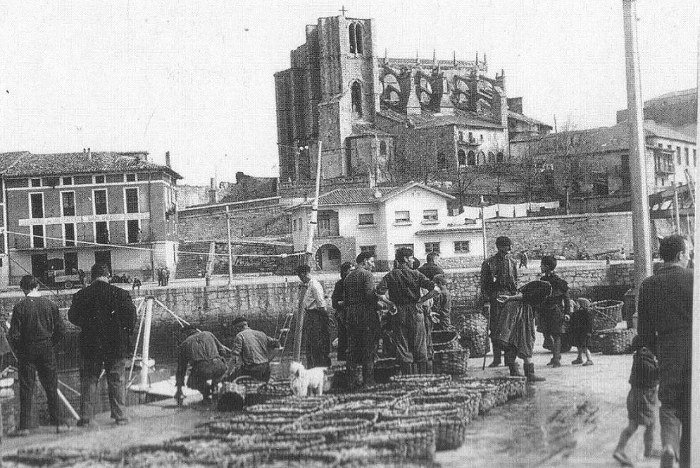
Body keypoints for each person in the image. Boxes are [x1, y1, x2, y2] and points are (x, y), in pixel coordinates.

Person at [637, 234, 693, 468]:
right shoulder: (693, 279)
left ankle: (669, 446)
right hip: (694, 348)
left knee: (669, 404)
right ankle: (687, 459)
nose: (689, 257)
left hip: (668, 349)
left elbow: (644, 331)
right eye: (688, 253)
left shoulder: (648, 285)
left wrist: (652, 351)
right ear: (680, 255)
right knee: (691, 406)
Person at [68, 263, 136, 427]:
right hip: (116, 344)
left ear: (91, 277)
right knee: (116, 379)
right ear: (108, 276)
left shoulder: (81, 295)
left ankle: (86, 418)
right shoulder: (121, 294)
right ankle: (120, 416)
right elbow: (131, 317)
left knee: (89, 380)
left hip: (90, 344)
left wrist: (87, 324)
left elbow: (72, 317)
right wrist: (125, 332)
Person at [8, 275, 67, 435]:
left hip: (27, 350)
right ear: (37, 287)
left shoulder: (20, 307)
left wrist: (20, 349)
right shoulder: (50, 304)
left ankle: (25, 427)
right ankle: (59, 423)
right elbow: (61, 330)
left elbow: (13, 335)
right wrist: (50, 343)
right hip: (46, 347)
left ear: (23, 289)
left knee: (27, 387)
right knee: (51, 386)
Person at [376, 247, 439, 375]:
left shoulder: (390, 275)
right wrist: (421, 300)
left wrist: (390, 304)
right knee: (420, 344)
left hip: (399, 312)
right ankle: (422, 377)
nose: (412, 261)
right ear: (405, 259)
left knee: (402, 345)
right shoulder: (416, 274)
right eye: (411, 258)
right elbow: (436, 290)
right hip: (416, 311)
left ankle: (407, 377)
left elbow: (378, 293)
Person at [613, 335, 661, 466]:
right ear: (644, 349)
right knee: (641, 425)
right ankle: (621, 450)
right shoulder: (644, 361)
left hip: (638, 396)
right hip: (642, 397)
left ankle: (647, 450)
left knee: (644, 424)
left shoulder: (640, 358)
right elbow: (655, 375)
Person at [493, 280, 548, 382]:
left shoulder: (536, 287)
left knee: (516, 341)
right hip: (522, 317)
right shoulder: (542, 289)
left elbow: (524, 296)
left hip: (520, 316)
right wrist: (510, 298)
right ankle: (527, 373)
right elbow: (525, 297)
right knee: (523, 340)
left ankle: (517, 371)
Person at [480, 236, 518, 368]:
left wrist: (515, 296)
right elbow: (483, 284)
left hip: (509, 298)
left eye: (510, 246)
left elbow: (515, 282)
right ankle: (496, 359)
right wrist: (486, 301)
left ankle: (509, 359)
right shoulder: (489, 263)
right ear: (499, 247)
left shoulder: (512, 262)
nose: (510, 249)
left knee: (509, 328)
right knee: (495, 328)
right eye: (507, 246)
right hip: (495, 298)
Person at [343, 252, 380, 387]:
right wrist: (380, 304)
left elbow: (345, 300)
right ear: (364, 261)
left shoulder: (348, 277)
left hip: (351, 315)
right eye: (371, 261)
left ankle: (351, 382)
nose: (373, 264)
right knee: (368, 347)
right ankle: (368, 381)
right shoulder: (367, 275)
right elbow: (370, 296)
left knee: (352, 349)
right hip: (365, 315)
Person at [175, 325, 228, 403]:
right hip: (220, 366)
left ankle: (206, 392)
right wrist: (221, 360)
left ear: (185, 334)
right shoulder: (208, 334)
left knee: (191, 382)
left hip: (202, 368)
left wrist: (179, 389)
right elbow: (223, 351)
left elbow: (181, 369)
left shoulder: (184, 344)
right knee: (217, 372)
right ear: (196, 330)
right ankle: (215, 387)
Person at [537, 256, 571, 368]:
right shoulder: (542, 281)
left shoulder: (559, 282)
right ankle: (556, 355)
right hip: (544, 311)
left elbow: (566, 299)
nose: (540, 267)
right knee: (546, 335)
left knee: (556, 335)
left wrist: (567, 313)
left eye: (541, 265)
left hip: (556, 311)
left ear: (546, 267)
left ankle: (556, 359)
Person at [297, 265, 331, 368]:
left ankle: (320, 366)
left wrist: (326, 319)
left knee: (317, 342)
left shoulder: (315, 285)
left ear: (303, 274)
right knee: (310, 343)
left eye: (300, 275)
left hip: (317, 315)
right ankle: (312, 366)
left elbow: (321, 304)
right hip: (310, 315)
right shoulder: (307, 285)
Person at [226, 316, 279, 382]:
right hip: (266, 369)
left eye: (235, 329)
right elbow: (277, 346)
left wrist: (228, 373)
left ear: (238, 327)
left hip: (252, 370)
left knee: (229, 380)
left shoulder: (240, 336)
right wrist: (268, 360)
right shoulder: (261, 334)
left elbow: (234, 358)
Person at [331, 262, 353, 361]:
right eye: (350, 270)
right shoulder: (340, 284)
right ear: (345, 271)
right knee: (343, 337)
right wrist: (345, 303)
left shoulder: (354, 282)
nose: (352, 273)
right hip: (342, 315)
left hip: (352, 314)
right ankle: (343, 360)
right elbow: (334, 302)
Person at [569, 298, 594, 366]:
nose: (576, 304)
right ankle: (579, 358)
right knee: (579, 346)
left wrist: (589, 332)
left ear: (582, 304)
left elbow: (589, 324)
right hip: (578, 332)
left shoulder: (587, 313)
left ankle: (589, 359)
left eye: (577, 303)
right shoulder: (576, 312)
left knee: (585, 346)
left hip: (584, 332)